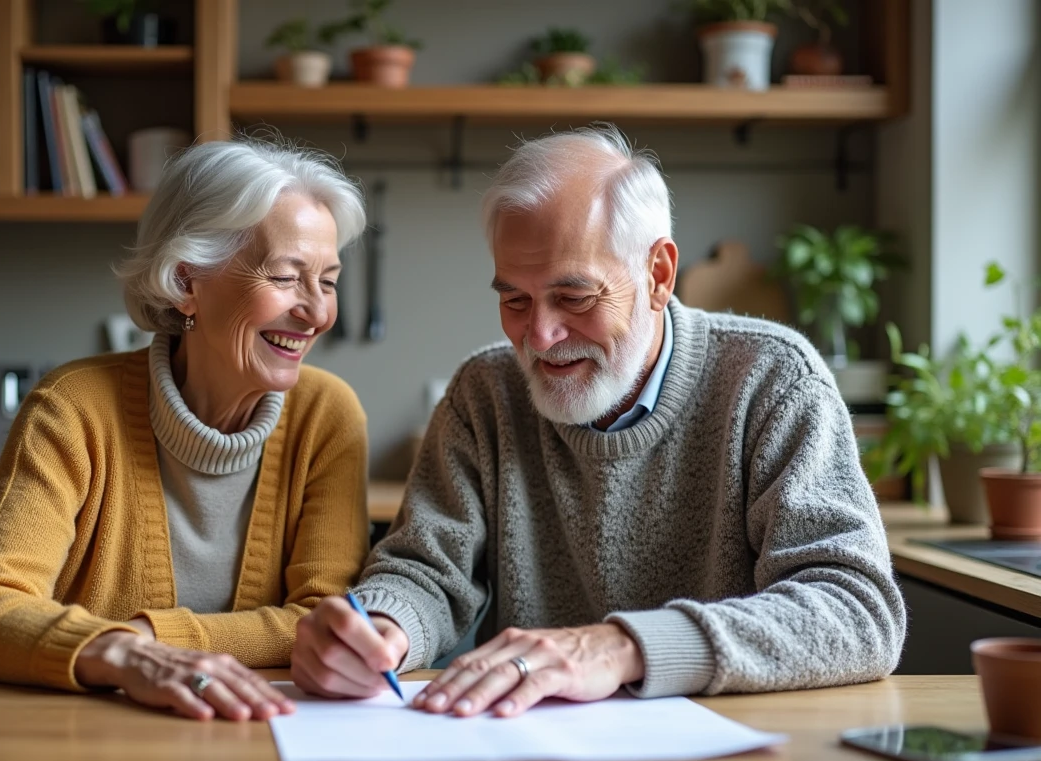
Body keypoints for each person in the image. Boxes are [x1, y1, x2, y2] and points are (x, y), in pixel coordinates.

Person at [291, 123, 906, 717]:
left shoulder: (772, 380)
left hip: (734, 752)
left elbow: (857, 611)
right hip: (532, 752)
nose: (539, 336)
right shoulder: (486, 392)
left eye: (574, 297)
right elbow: (425, 571)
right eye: (515, 300)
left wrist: (623, 647)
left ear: (658, 275)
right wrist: (381, 629)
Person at [0, 135, 371, 722]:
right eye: (285, 277)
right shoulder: (72, 408)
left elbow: (326, 624)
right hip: (90, 737)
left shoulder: (327, 417)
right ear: (187, 282)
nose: (317, 312)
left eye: (329, 280)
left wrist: (149, 636)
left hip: (263, 734)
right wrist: (124, 655)